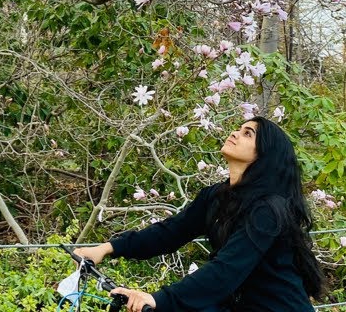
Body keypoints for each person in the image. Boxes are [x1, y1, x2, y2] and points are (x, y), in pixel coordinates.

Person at [74, 116, 326, 312]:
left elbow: (226, 270)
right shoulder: (216, 196)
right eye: (239, 128)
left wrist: (158, 299)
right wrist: (106, 249)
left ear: (265, 155)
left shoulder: (268, 210)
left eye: (247, 134)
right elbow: (170, 232)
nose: (235, 133)